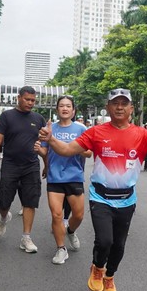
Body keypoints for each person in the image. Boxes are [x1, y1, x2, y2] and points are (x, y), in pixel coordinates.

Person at [39, 88, 147, 291]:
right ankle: (97, 267)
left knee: (119, 245)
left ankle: (109, 276)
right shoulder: (95, 132)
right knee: (104, 241)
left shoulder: (141, 134)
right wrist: (51, 139)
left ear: (131, 108)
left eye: (124, 103)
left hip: (126, 199)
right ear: (108, 107)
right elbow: (66, 150)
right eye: (115, 103)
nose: (119, 107)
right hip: (100, 197)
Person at [36, 96, 92, 264]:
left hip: (74, 176)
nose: (65, 109)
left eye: (68, 106)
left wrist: (72, 147)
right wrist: (39, 150)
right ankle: (61, 249)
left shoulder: (81, 129)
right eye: (61, 106)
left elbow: (89, 153)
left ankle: (71, 231)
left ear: (73, 111)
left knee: (78, 215)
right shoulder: (49, 128)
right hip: (55, 177)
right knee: (56, 215)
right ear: (57, 110)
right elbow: (45, 152)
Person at [0, 86, 46, 252]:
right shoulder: (7, 116)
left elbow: (45, 143)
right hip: (10, 164)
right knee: (3, 201)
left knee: (30, 201)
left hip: (31, 165)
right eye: (27, 99)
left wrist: (46, 164)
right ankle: (4, 218)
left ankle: (26, 238)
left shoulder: (39, 119)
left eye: (33, 100)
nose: (30, 103)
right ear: (19, 98)